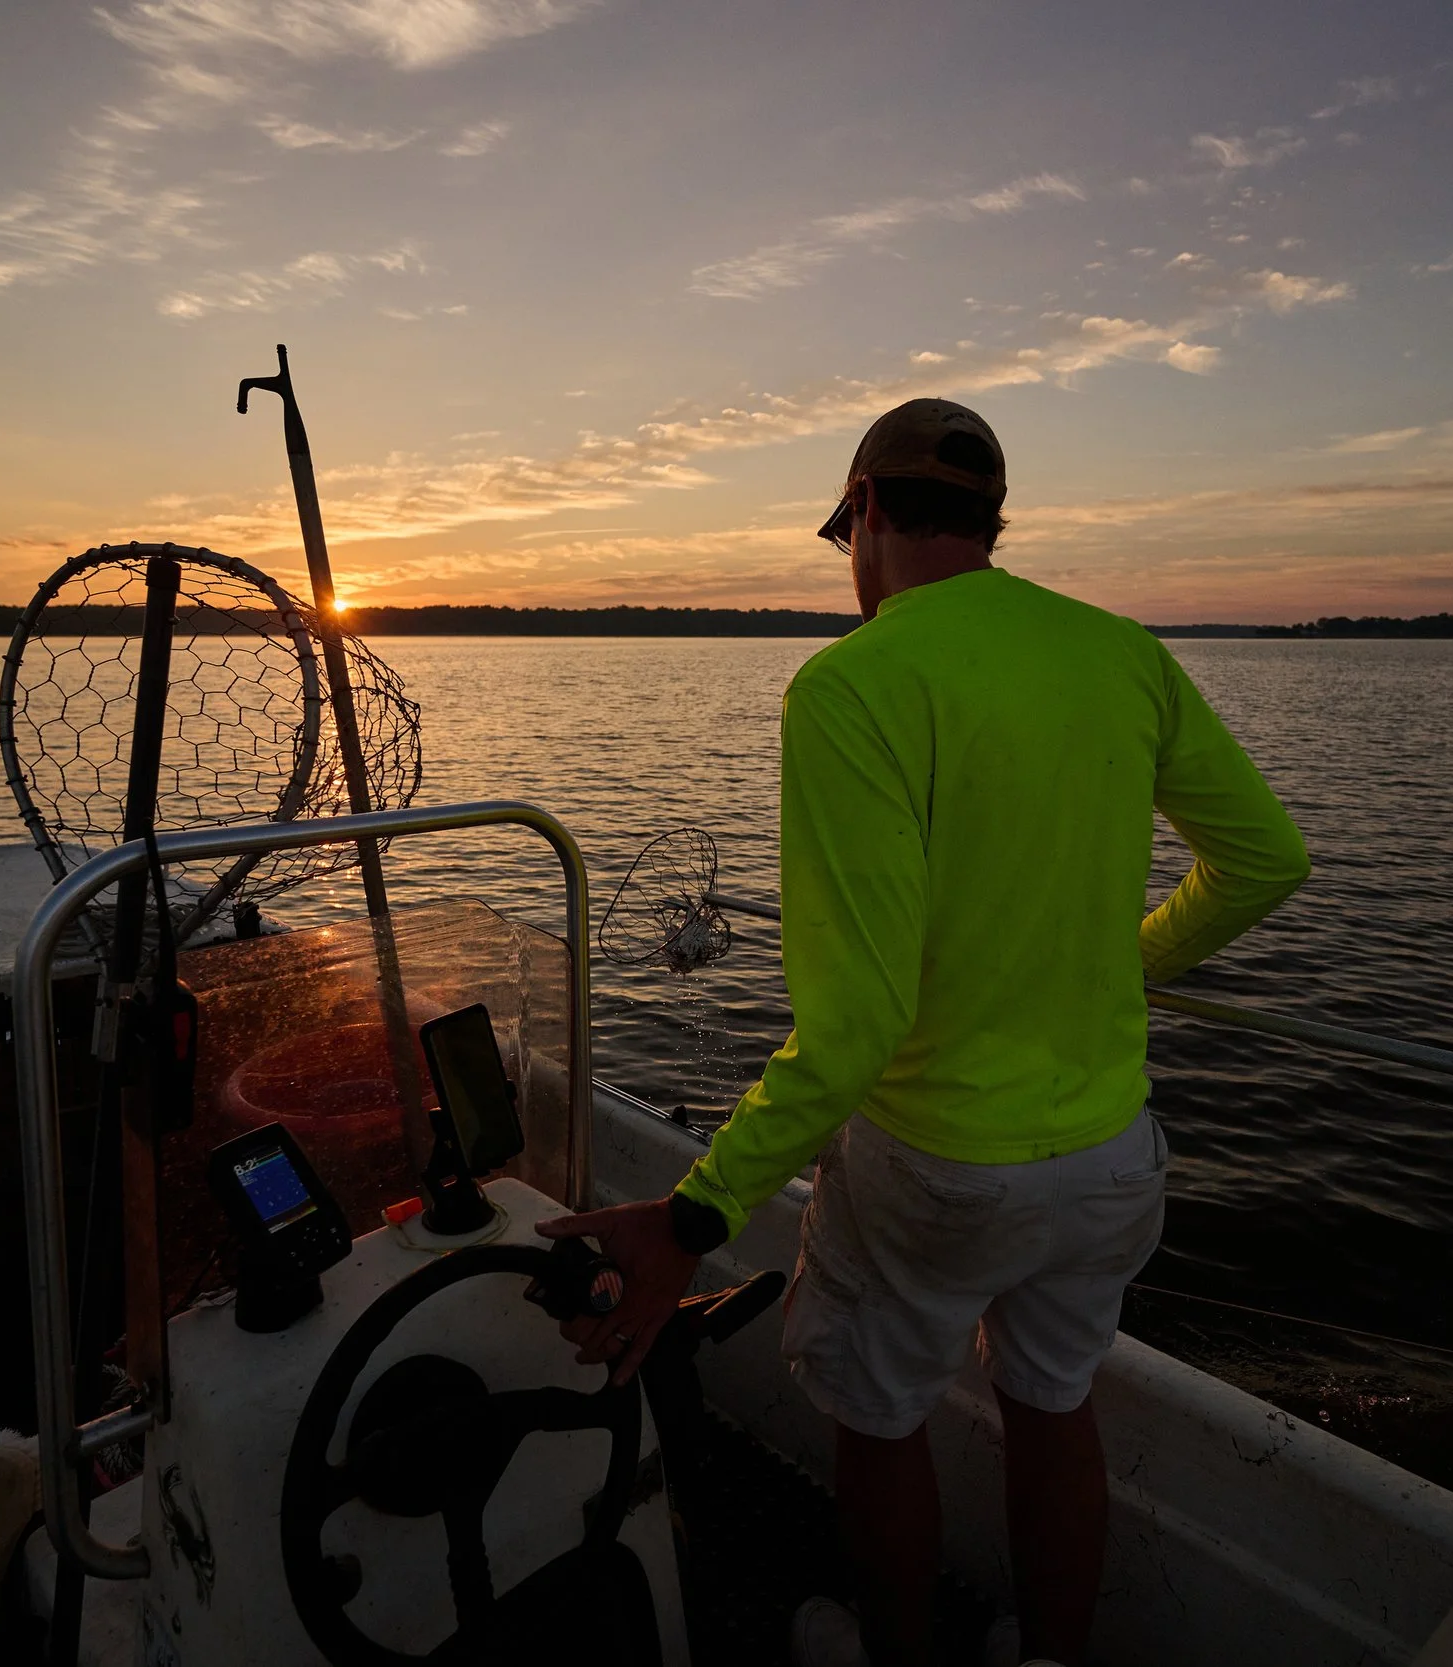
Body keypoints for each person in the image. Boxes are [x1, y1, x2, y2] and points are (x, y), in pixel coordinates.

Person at [538, 398, 1308, 1667]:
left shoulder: (855, 683)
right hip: (1111, 1157)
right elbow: (1266, 862)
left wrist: (690, 1219)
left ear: (872, 514)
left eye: (845, 528)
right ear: (988, 526)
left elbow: (855, 1028)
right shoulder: (1122, 653)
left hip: (938, 1172)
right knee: (1055, 1405)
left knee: (879, 1417)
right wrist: (1120, 961)